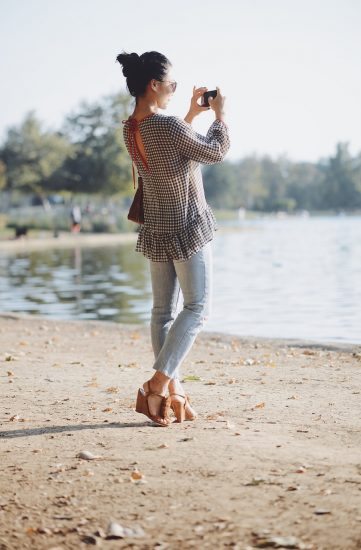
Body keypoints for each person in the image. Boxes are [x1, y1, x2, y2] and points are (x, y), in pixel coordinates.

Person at [116, 50, 230, 426]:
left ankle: (175, 394)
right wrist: (219, 116)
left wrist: (192, 115)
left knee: (162, 312)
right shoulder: (166, 126)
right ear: (154, 85)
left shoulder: (131, 127)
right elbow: (214, 153)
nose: (174, 90)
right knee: (197, 308)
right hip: (187, 226)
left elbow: (172, 155)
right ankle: (157, 384)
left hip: (157, 228)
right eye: (172, 85)